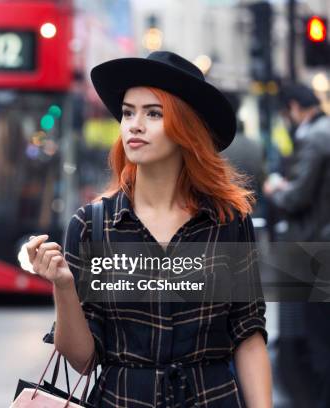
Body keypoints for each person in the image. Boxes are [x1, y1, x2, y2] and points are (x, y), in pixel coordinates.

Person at [26, 51, 272, 407]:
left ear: (186, 128)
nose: (134, 125)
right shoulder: (92, 226)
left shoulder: (228, 222)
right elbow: (82, 360)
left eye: (153, 113)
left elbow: (248, 334)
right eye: (128, 112)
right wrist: (63, 285)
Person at [263, 83, 330, 408]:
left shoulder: (313, 137)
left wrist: (277, 190)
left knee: (316, 336)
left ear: (293, 106)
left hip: (315, 247)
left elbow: (299, 196)